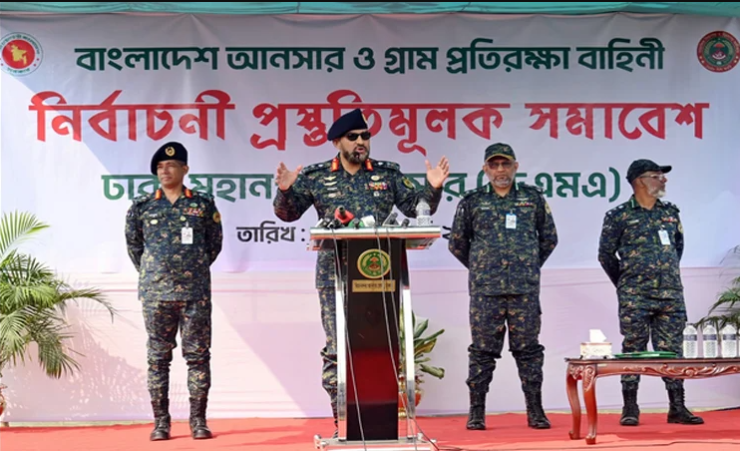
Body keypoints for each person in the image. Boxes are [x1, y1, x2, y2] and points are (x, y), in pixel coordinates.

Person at [272, 108, 450, 438]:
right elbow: (288, 214)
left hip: (380, 273)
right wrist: (284, 191)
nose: (361, 142)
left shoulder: (387, 173)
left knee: (380, 346)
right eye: (353, 137)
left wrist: (433, 188)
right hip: (334, 275)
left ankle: (381, 424)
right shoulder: (316, 175)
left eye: (365, 136)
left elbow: (416, 207)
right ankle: (343, 423)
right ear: (337, 142)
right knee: (337, 347)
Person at [448, 143, 558, 431]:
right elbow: (457, 243)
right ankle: (476, 412)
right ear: (485, 169)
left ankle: (535, 410)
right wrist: (482, 268)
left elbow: (549, 239)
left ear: (515, 167)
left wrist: (527, 265)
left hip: (524, 290)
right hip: (486, 291)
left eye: (505, 164)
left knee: (529, 352)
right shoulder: (472, 201)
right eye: (494, 165)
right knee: (482, 353)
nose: (500, 170)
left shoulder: (532, 198)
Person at [125, 141, 224, 441]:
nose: (164, 170)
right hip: (156, 294)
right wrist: (155, 273)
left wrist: (192, 268)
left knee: (198, 357)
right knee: (158, 359)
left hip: (195, 293)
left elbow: (213, 244)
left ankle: (198, 421)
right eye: (159, 167)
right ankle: (161, 423)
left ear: (185, 169)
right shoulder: (142, 206)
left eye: (170, 165)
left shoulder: (203, 204)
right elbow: (134, 247)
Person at [598, 159, 703, 427]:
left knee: (672, 350)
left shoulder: (670, 212)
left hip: (670, 295)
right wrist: (625, 283)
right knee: (634, 349)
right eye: (657, 175)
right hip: (635, 296)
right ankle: (630, 407)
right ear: (639, 181)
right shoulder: (618, 215)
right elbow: (605, 255)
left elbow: (677, 249)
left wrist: (664, 275)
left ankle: (677, 407)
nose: (663, 179)